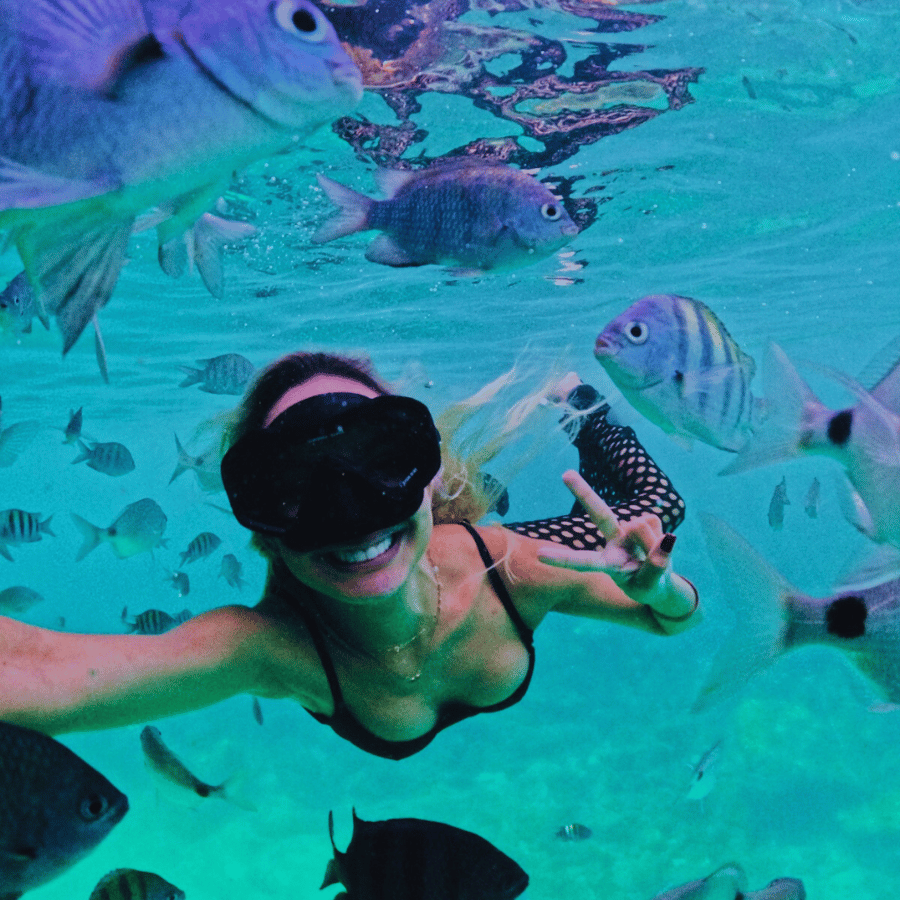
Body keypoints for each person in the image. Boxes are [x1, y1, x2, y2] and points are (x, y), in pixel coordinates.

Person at [0, 352, 698, 759]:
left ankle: (585, 409)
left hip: (504, 556)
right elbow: (45, 677)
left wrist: (658, 586)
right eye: (291, 486)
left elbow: (675, 618)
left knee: (656, 513)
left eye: (380, 460)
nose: (348, 513)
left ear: (427, 478)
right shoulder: (276, 646)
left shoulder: (506, 567)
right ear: (264, 525)